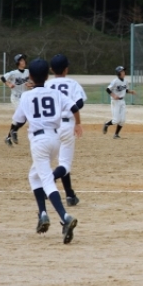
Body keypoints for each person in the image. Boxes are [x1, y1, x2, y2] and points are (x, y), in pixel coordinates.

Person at [11, 58, 82, 244]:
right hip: (55, 139)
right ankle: (42, 213)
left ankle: (65, 217)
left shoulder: (26, 96)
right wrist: (78, 123)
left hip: (39, 141)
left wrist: (12, 131)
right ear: (47, 76)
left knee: (47, 181)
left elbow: (18, 120)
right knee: (34, 176)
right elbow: (75, 107)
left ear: (30, 76)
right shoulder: (55, 93)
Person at [48, 54, 87, 206]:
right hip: (66, 125)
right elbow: (79, 103)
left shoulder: (47, 84)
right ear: (66, 69)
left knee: (58, 161)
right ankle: (49, 180)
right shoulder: (72, 83)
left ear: (52, 69)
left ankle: (70, 195)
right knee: (64, 163)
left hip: (50, 126)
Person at [2, 53, 30, 146]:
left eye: (24, 60)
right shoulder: (13, 73)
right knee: (22, 115)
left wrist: (31, 85)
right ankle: (13, 132)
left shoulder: (28, 72)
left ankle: (8, 137)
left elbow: (33, 81)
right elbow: (3, 78)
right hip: (16, 98)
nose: (23, 61)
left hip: (25, 98)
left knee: (21, 118)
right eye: (21, 60)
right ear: (17, 62)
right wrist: (9, 84)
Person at [103, 66, 136, 139]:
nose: (124, 72)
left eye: (124, 71)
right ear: (118, 73)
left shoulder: (125, 81)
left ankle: (116, 135)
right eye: (122, 71)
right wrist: (113, 95)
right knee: (116, 120)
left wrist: (131, 92)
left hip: (122, 101)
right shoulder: (115, 81)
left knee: (122, 120)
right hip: (115, 102)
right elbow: (108, 89)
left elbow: (125, 90)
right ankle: (106, 124)